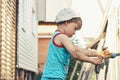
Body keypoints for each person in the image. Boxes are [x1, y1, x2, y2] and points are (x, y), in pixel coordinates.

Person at [41, 8, 110, 80]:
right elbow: (76, 54)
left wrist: (99, 53)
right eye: (75, 28)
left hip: (53, 77)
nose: (74, 32)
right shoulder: (62, 37)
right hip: (54, 77)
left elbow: (81, 50)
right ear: (66, 22)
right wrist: (92, 60)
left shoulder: (60, 37)